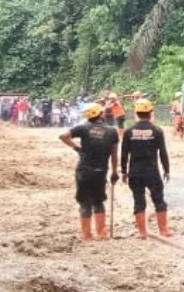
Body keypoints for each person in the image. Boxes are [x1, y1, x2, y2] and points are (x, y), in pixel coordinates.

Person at [59, 103, 120, 241]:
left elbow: (63, 136)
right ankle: (102, 233)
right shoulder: (112, 131)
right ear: (101, 114)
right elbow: (114, 154)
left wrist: (77, 148)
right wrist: (115, 171)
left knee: (85, 203)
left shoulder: (82, 128)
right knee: (98, 202)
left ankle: (87, 236)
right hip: (101, 171)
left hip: (84, 171)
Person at [120, 99, 172, 240]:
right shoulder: (156, 131)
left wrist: (124, 171)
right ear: (150, 113)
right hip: (152, 171)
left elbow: (124, 153)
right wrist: (167, 170)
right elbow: (163, 152)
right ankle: (163, 230)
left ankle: (142, 233)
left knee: (139, 200)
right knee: (159, 200)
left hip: (135, 172)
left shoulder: (129, 132)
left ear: (136, 114)